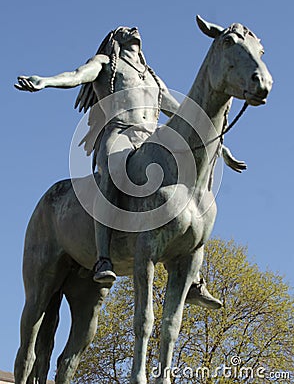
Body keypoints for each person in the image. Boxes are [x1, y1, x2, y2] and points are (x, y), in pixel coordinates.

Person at [16, 26, 245, 310]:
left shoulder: (151, 76)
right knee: (112, 175)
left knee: (192, 190)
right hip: (119, 135)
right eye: (124, 28)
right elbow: (76, 76)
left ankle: (194, 279)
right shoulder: (105, 64)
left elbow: (186, 117)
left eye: (134, 28)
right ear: (114, 39)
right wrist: (47, 81)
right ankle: (103, 257)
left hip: (151, 137)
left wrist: (220, 148)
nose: (133, 29)